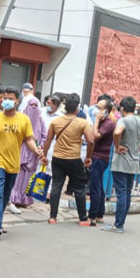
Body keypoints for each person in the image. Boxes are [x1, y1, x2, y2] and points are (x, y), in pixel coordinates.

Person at [0, 87, 42, 242]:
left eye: (10, 99)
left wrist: (36, 151)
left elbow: (29, 139)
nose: (7, 101)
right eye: (5, 98)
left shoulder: (24, 119)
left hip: (13, 163)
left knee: (5, 195)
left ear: (17, 101)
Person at [102, 97, 140, 234]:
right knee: (127, 193)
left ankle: (118, 225)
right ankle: (120, 222)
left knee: (121, 193)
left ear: (122, 108)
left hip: (121, 161)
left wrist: (117, 146)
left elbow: (117, 132)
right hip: (134, 162)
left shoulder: (123, 120)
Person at [42, 93, 94, 225]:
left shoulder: (56, 121)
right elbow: (90, 141)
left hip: (57, 157)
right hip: (74, 158)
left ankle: (53, 217)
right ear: (77, 109)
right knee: (79, 188)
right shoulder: (82, 123)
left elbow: (48, 140)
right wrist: (88, 157)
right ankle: (83, 219)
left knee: (56, 186)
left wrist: (44, 155)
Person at [9, 97, 46, 209]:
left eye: (35, 105)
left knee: (28, 177)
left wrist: (40, 146)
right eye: (31, 105)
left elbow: (44, 135)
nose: (33, 107)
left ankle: (24, 199)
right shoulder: (21, 118)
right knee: (17, 176)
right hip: (20, 150)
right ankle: (14, 198)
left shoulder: (40, 120)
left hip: (33, 153)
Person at [85, 98, 115, 226]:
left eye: (99, 107)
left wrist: (96, 120)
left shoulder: (108, 123)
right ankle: (99, 214)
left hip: (99, 158)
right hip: (98, 156)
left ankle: (92, 216)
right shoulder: (102, 122)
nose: (96, 109)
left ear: (106, 111)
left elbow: (95, 137)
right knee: (99, 187)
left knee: (94, 187)